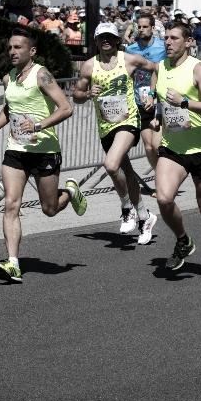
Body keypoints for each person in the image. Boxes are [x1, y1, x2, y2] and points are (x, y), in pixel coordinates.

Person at [0, 29, 88, 283]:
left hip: (44, 149)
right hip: (16, 149)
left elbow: (66, 108)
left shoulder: (42, 75)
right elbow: (10, 107)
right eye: (10, 47)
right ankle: (13, 263)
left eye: (18, 47)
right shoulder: (9, 79)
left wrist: (38, 126)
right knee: (11, 204)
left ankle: (70, 192)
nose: (12, 52)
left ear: (32, 51)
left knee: (49, 209)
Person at [73, 22, 158, 244]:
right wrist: (88, 93)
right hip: (105, 126)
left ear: (118, 40)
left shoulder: (128, 59)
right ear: (96, 41)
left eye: (110, 37)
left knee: (111, 165)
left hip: (128, 121)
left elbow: (157, 68)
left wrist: (151, 94)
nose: (106, 41)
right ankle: (144, 216)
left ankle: (126, 208)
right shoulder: (89, 67)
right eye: (102, 38)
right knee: (125, 170)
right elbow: (76, 95)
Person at [152, 22, 201, 272]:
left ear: (189, 41)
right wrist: (155, 113)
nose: (168, 42)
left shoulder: (198, 69)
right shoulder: (159, 68)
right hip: (172, 147)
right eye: (165, 38)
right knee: (163, 199)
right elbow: (159, 100)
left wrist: (185, 103)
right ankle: (183, 240)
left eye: (174, 38)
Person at [124, 13, 168, 189]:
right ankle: (161, 181)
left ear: (152, 28)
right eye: (138, 27)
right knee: (149, 148)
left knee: (157, 146)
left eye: (144, 27)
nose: (141, 30)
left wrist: (155, 93)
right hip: (140, 100)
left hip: (159, 100)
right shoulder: (130, 50)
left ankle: (166, 179)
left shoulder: (162, 47)